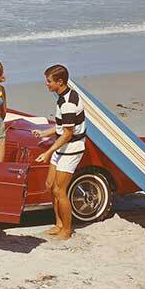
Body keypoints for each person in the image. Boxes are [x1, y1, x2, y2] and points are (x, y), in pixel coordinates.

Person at [31, 64, 86, 240]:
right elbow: (61, 127)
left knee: (60, 191)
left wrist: (48, 152)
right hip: (62, 147)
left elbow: (68, 134)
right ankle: (59, 224)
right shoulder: (63, 97)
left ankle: (67, 231)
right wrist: (43, 133)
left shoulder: (68, 103)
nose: (46, 84)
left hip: (71, 149)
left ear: (60, 82)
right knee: (50, 186)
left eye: (49, 81)